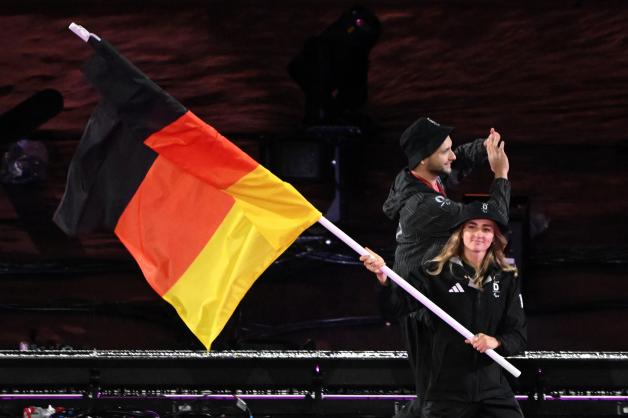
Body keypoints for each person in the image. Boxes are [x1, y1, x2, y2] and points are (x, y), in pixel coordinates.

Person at [379, 116, 511, 417]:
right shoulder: (422, 205)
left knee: (443, 391)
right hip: (421, 307)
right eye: (444, 151)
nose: (452, 155)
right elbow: (487, 220)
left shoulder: (417, 174)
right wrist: (500, 175)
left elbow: (459, 159)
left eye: (450, 148)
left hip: (434, 295)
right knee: (435, 394)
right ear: (424, 158)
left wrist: (485, 147)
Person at [362, 201, 527, 418]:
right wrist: (383, 277)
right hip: (446, 392)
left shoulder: (507, 277)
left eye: (487, 229)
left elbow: (518, 336)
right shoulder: (434, 273)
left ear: (494, 237)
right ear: (460, 233)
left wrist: (496, 342)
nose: (479, 234)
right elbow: (393, 309)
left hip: (492, 390)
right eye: (472, 227)